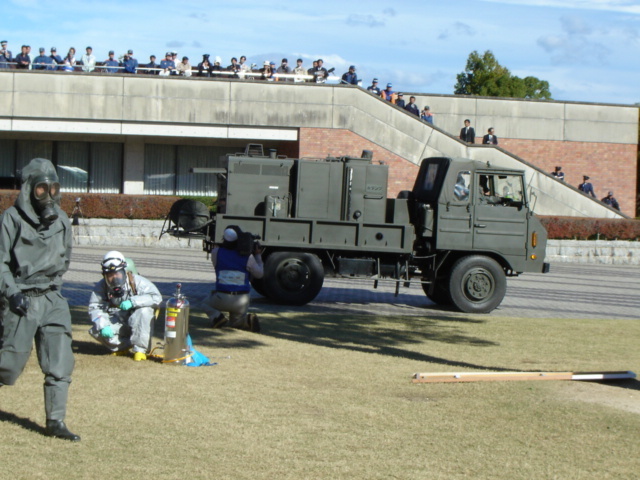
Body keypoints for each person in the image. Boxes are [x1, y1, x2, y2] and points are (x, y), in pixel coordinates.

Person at [0, 158, 79, 441]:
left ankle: (55, 421)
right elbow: (0, 263)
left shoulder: (62, 221)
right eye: (41, 189)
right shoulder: (11, 219)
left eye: (54, 188)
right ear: (29, 189)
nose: (49, 195)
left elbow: (65, 257)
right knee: (8, 367)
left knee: (60, 364)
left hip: (52, 299)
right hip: (20, 298)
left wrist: (53, 288)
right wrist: (12, 292)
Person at [88, 251, 162, 361]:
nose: (114, 278)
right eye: (110, 275)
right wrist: (103, 325)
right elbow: (95, 306)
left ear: (124, 271)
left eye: (117, 274)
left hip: (138, 320)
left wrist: (133, 302)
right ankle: (123, 346)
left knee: (144, 311)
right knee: (96, 329)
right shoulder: (101, 286)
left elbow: (156, 297)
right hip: (118, 320)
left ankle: (140, 350)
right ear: (104, 275)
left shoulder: (138, 282)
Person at [203, 228, 263, 332]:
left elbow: (216, 264)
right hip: (242, 299)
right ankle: (246, 320)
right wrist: (257, 255)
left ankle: (217, 317)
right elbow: (259, 274)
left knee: (204, 303)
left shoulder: (217, 252)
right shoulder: (248, 257)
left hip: (221, 296)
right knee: (236, 322)